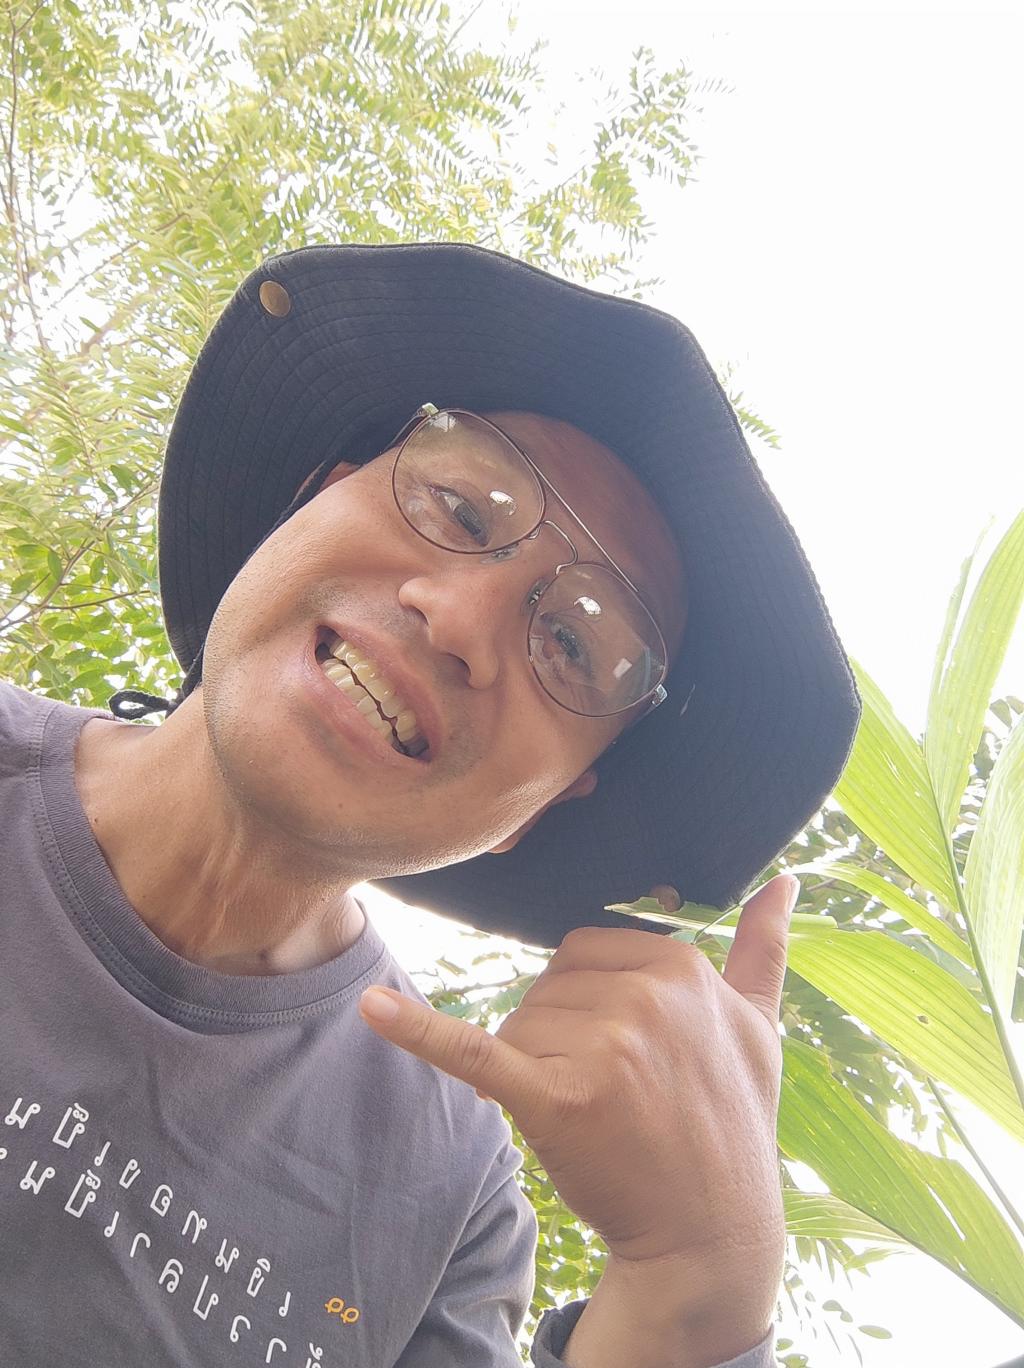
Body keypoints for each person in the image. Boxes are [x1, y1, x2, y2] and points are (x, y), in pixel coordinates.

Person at [0, 241, 861, 1367]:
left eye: (574, 645)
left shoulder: (452, 1203)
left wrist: (697, 1288)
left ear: (541, 809)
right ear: (311, 499)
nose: (457, 619)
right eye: (458, 506)